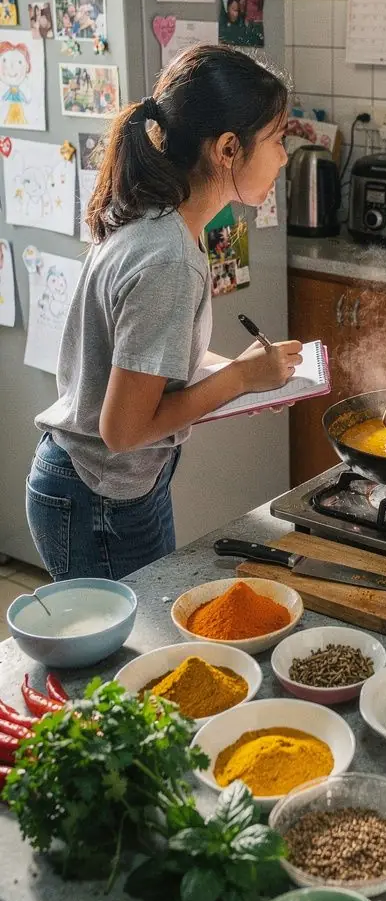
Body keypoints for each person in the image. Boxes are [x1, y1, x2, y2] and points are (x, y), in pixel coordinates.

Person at [27, 44, 301, 581]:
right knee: (129, 658)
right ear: (228, 148)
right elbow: (123, 430)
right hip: (100, 498)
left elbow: (149, 366)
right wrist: (240, 379)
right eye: (277, 139)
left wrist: (240, 373)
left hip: (108, 487)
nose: (285, 156)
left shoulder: (161, 224)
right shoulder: (170, 258)